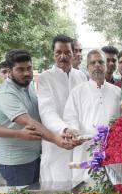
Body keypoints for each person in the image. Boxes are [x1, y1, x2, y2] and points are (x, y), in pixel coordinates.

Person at [0, 50, 78, 186]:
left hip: (33, 157)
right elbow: (29, 121)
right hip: (16, 162)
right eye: (20, 69)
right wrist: (56, 139)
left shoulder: (26, 87)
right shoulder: (6, 93)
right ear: (9, 71)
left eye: (29, 68)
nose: (26, 73)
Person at [64, 50, 121, 182]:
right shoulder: (78, 92)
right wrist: (74, 131)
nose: (97, 65)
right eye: (92, 63)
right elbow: (70, 116)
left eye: (100, 62)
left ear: (106, 65)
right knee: (85, 190)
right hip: (85, 148)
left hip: (111, 151)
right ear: (87, 67)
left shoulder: (117, 92)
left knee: (110, 190)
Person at [38, 35, 88, 182]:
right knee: (57, 192)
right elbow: (47, 111)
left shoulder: (81, 76)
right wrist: (65, 129)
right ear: (53, 54)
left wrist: (77, 132)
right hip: (57, 142)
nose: (62, 56)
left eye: (67, 52)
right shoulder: (45, 78)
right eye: (58, 52)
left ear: (73, 54)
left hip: (79, 140)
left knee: (81, 189)